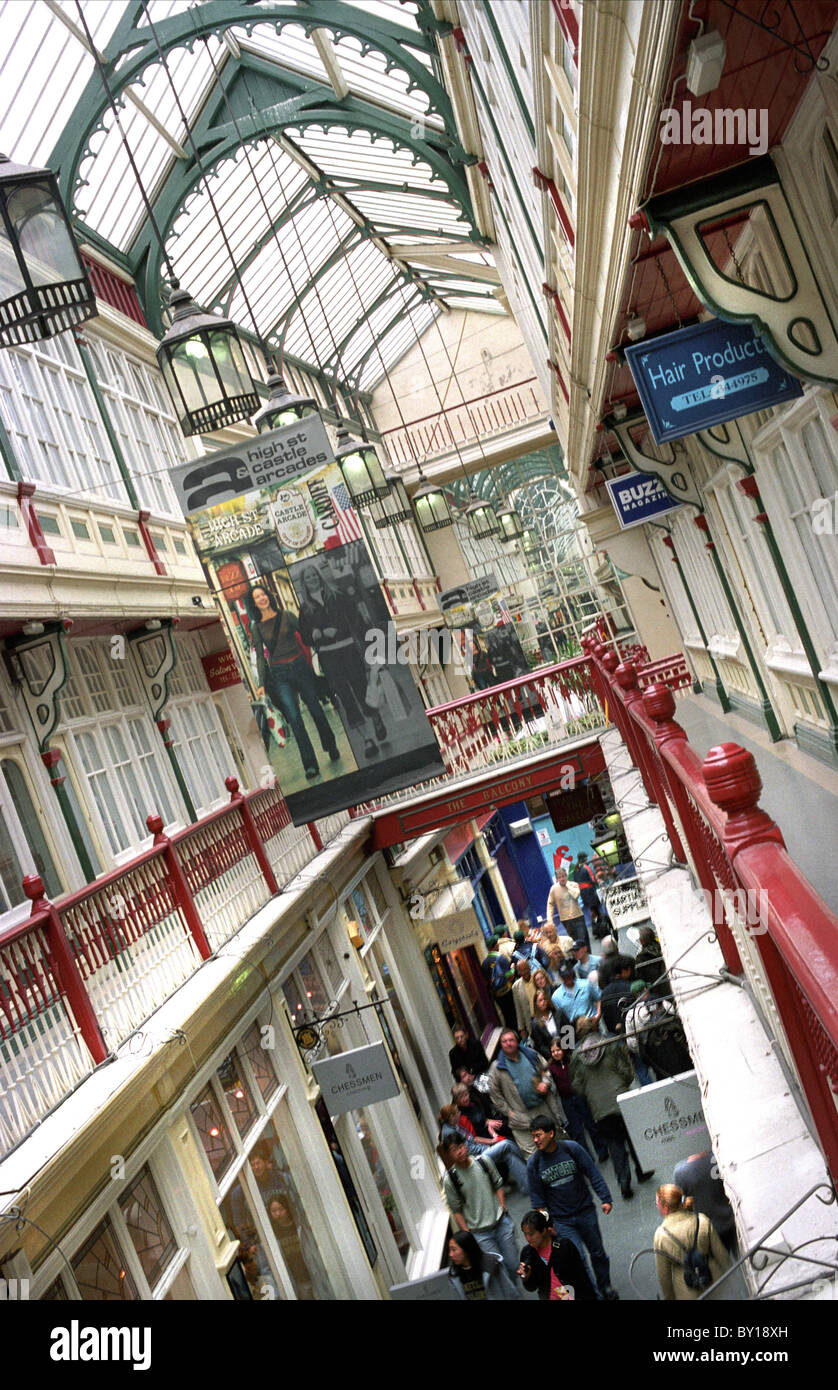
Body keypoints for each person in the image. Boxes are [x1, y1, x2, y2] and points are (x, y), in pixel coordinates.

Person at [249, 580, 339, 782]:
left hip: (299, 667)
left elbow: (307, 636)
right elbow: (260, 657)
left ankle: (330, 744)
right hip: (280, 675)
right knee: (295, 720)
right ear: (254, 603)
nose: (261, 599)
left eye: (263, 594)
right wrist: (261, 683)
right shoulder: (256, 627)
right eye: (256, 598)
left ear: (268, 596)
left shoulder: (286, 616)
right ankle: (310, 765)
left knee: (316, 711)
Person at [296, 563, 386, 761]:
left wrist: (340, 629)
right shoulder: (305, 609)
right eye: (308, 578)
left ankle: (376, 717)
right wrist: (314, 634)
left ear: (319, 575)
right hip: (329, 658)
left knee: (362, 691)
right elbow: (304, 636)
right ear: (304, 583)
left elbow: (355, 618)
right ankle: (367, 740)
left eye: (314, 575)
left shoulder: (337, 594)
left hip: (348, 651)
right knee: (346, 698)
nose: (312, 579)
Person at [527, 1115, 619, 1300]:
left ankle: (605, 1286)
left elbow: (592, 1172)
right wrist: (548, 1224)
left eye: (539, 1135)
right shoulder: (534, 1164)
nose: (535, 1140)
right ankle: (594, 1295)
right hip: (562, 1221)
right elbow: (538, 1202)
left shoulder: (571, 1149)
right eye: (533, 1137)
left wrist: (605, 1198)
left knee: (598, 1253)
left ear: (551, 1133)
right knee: (579, 1260)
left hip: (586, 1212)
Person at [570, 1022, 655, 1200]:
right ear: (594, 1029)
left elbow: (576, 1086)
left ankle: (624, 1182)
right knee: (632, 1139)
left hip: (600, 1110)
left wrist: (592, 1094)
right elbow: (627, 1071)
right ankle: (642, 1171)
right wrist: (621, 1084)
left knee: (615, 1145)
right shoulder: (610, 1045)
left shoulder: (577, 1057)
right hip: (621, 1101)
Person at [439, 1134, 522, 1287]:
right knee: (496, 1269)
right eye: (454, 1150)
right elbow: (456, 1209)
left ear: (465, 1146)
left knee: (512, 1263)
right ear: (449, 1154)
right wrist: (467, 1232)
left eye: (461, 1147)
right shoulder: (451, 1179)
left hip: (500, 1222)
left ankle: (512, 1289)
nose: (459, 1152)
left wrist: (502, 1208)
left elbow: (498, 1184)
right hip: (480, 1233)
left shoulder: (483, 1162)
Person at [488, 1028, 566, 1156]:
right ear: (501, 1045)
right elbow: (494, 1094)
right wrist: (508, 1112)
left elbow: (545, 1070)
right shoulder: (496, 1068)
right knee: (532, 1155)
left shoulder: (530, 1054)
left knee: (555, 1143)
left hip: (543, 1108)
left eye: (511, 1040)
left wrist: (545, 1083)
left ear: (517, 1041)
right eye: (504, 1041)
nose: (508, 1043)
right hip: (520, 1118)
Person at [654, 1183, 730, 1300]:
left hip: (686, 1291)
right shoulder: (701, 1220)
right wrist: (732, 1280)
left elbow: (664, 1276)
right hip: (715, 1283)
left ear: (666, 1208)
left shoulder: (661, 1236)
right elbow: (722, 1255)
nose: (656, 1205)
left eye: (657, 1203)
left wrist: (669, 1298)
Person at [437, 1102, 531, 1194]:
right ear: (452, 1117)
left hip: (479, 1153)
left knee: (508, 1155)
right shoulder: (449, 1132)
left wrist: (490, 1143)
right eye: (457, 1112)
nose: (460, 1113)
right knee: (506, 1144)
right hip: (474, 1159)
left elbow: (473, 1140)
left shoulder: (455, 1126)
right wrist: (487, 1148)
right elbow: (468, 1149)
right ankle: (530, 1165)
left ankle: (527, 1185)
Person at [547, 1038, 608, 1163]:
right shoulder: (551, 1068)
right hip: (567, 1100)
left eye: (558, 1050)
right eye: (553, 1051)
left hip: (579, 1095)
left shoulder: (572, 1060)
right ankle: (586, 1157)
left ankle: (602, 1151)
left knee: (590, 1123)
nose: (556, 1053)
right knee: (577, 1130)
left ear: (563, 1049)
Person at [517, 1209, 598, 1301]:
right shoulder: (527, 1253)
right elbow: (531, 1287)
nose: (528, 1238)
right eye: (525, 1234)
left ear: (543, 1231)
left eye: (531, 1234)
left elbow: (581, 1278)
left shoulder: (564, 1246)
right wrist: (526, 1278)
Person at [624, 984, 693, 1081]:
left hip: (663, 1073)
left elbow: (643, 1056)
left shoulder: (645, 1031)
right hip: (686, 1067)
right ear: (662, 1004)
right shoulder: (674, 1020)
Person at [672, 1152, 737, 1254]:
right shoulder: (718, 1158)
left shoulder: (681, 1172)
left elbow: (681, 1202)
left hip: (707, 1229)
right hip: (731, 1220)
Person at [447, 1231, 518, 1300]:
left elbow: (509, 1290)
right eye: (450, 1250)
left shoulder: (491, 1264)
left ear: (467, 1249)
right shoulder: (454, 1274)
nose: (450, 1254)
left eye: (454, 1250)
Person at [545, 868, 588, 948]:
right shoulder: (553, 889)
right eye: (560, 877)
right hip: (566, 920)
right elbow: (550, 904)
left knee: (583, 939)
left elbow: (576, 895)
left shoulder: (573, 884)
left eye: (563, 876)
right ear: (557, 879)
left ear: (566, 876)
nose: (562, 879)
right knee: (574, 941)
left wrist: (568, 886)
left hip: (578, 916)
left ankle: (589, 956)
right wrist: (549, 920)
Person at [481, 936, 518, 1030]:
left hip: (497, 995)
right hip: (507, 991)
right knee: (514, 1013)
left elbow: (486, 981)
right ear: (495, 946)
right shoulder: (501, 958)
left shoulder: (484, 963)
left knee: (506, 1015)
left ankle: (510, 1032)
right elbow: (509, 975)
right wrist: (513, 969)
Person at [551, 961, 600, 1028]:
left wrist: (598, 1014)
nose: (567, 978)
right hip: (577, 1029)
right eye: (564, 976)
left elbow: (599, 998)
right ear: (561, 977)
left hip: (594, 1022)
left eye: (568, 975)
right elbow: (562, 1018)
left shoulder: (586, 984)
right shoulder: (556, 997)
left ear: (572, 973)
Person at [530, 989, 573, 1061]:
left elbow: (569, 1030)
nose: (543, 1002)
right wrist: (554, 1053)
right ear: (536, 1004)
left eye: (544, 999)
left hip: (568, 1050)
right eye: (540, 1000)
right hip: (553, 1056)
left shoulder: (559, 1013)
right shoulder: (535, 1024)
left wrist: (565, 1049)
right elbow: (540, 1045)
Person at [599, 954, 636, 1035]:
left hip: (614, 1036)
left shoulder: (604, 993)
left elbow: (605, 1017)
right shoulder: (631, 988)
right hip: (633, 1031)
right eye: (631, 970)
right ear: (624, 970)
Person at [572, 851, 604, 940]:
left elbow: (576, 882)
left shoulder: (575, 870)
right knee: (595, 912)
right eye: (586, 858)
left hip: (583, 894)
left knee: (594, 911)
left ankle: (598, 931)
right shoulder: (586, 867)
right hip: (590, 892)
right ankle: (598, 930)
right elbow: (593, 880)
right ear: (584, 859)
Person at [634, 925, 670, 995]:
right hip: (669, 982)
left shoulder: (640, 957)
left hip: (655, 989)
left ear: (642, 941)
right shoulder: (663, 947)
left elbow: (640, 977)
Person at [512, 958, 538, 1037]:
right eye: (521, 970)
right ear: (518, 972)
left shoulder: (537, 978)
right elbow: (518, 1008)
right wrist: (522, 1028)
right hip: (530, 1021)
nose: (524, 972)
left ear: (529, 968)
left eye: (525, 969)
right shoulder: (516, 987)